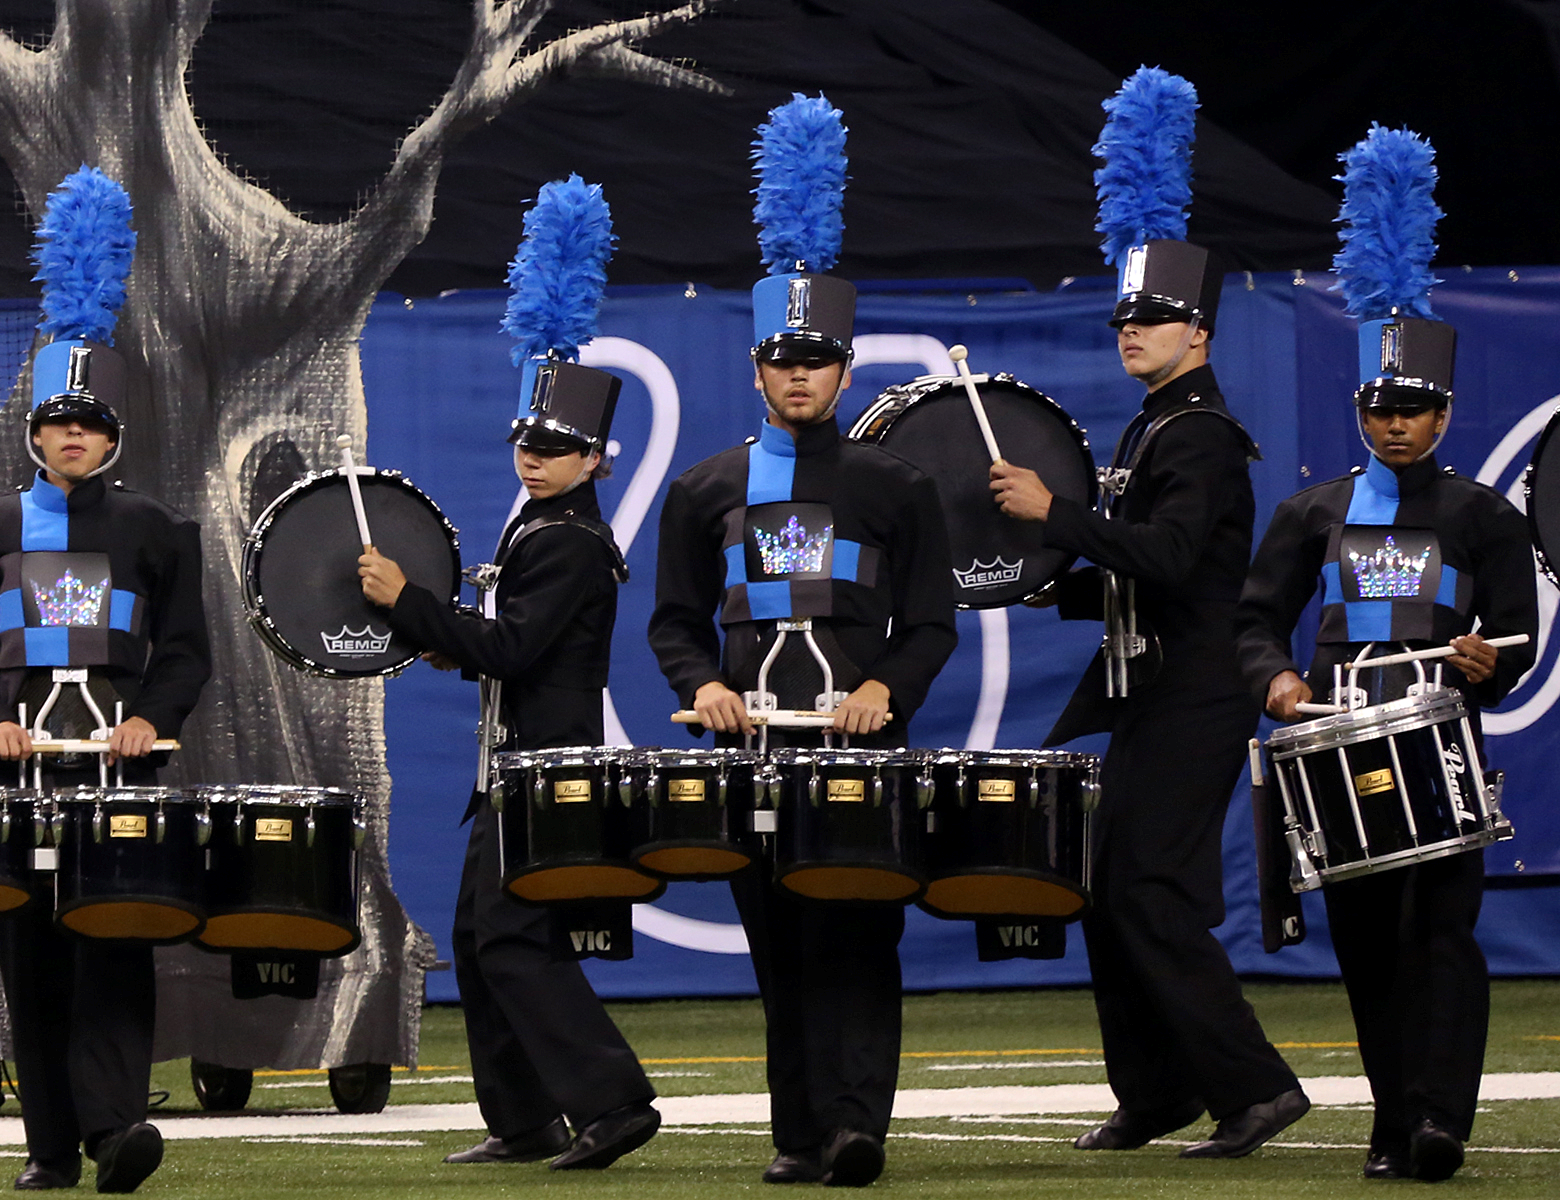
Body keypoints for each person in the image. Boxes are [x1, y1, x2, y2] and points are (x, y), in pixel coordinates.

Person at [1234, 127, 1535, 1182]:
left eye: (1411, 408)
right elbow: (1254, 617)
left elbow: (1521, 633)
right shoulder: (1314, 509)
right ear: (1359, 409)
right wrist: (1274, 681)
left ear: (1444, 413)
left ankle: (1439, 1120)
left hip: (1440, 743)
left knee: (1442, 935)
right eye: (1379, 407)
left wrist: (1488, 661)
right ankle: (1387, 1120)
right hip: (1340, 740)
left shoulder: (1485, 514)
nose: (1394, 422)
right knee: (1364, 943)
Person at [647, 189, 958, 1181]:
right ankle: (798, 1134)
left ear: (845, 369)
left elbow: (935, 624)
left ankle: (858, 1125)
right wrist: (701, 687)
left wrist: (886, 692)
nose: (799, 375)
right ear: (756, 369)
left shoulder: (895, 486)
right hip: (749, 758)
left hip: (859, 752)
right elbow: (672, 623)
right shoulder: (703, 490)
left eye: (816, 360)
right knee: (778, 944)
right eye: (783, 361)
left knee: (858, 931)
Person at [989, 231, 1309, 1157]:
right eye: (1126, 316)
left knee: (1149, 888)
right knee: (1110, 885)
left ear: (1200, 332)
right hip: (1151, 687)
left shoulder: (1201, 434)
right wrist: (1048, 576)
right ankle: (1157, 1090)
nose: (1132, 329)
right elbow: (1151, 570)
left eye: (1155, 317)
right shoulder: (1156, 424)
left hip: (1196, 689)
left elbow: (1171, 558)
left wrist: (1058, 515)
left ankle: (1256, 1087)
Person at [0, 334, 210, 1193]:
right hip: (18, 781)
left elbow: (187, 654)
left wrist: (152, 718)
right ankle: (49, 1149)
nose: (74, 436)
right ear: (35, 436)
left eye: (90, 423)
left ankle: (116, 1130)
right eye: (60, 423)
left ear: (113, 436)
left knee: (116, 948)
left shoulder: (158, 529)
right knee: (31, 957)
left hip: (120, 781)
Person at [358, 371, 661, 1171]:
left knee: (514, 937)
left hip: (544, 773)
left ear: (595, 459)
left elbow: (516, 647)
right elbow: (525, 648)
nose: (534, 457)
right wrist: (453, 638)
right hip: (517, 767)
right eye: (526, 442)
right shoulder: (545, 522)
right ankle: (525, 1121)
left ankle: (614, 1100)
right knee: (479, 933)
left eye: (556, 447)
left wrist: (412, 603)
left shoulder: (564, 537)